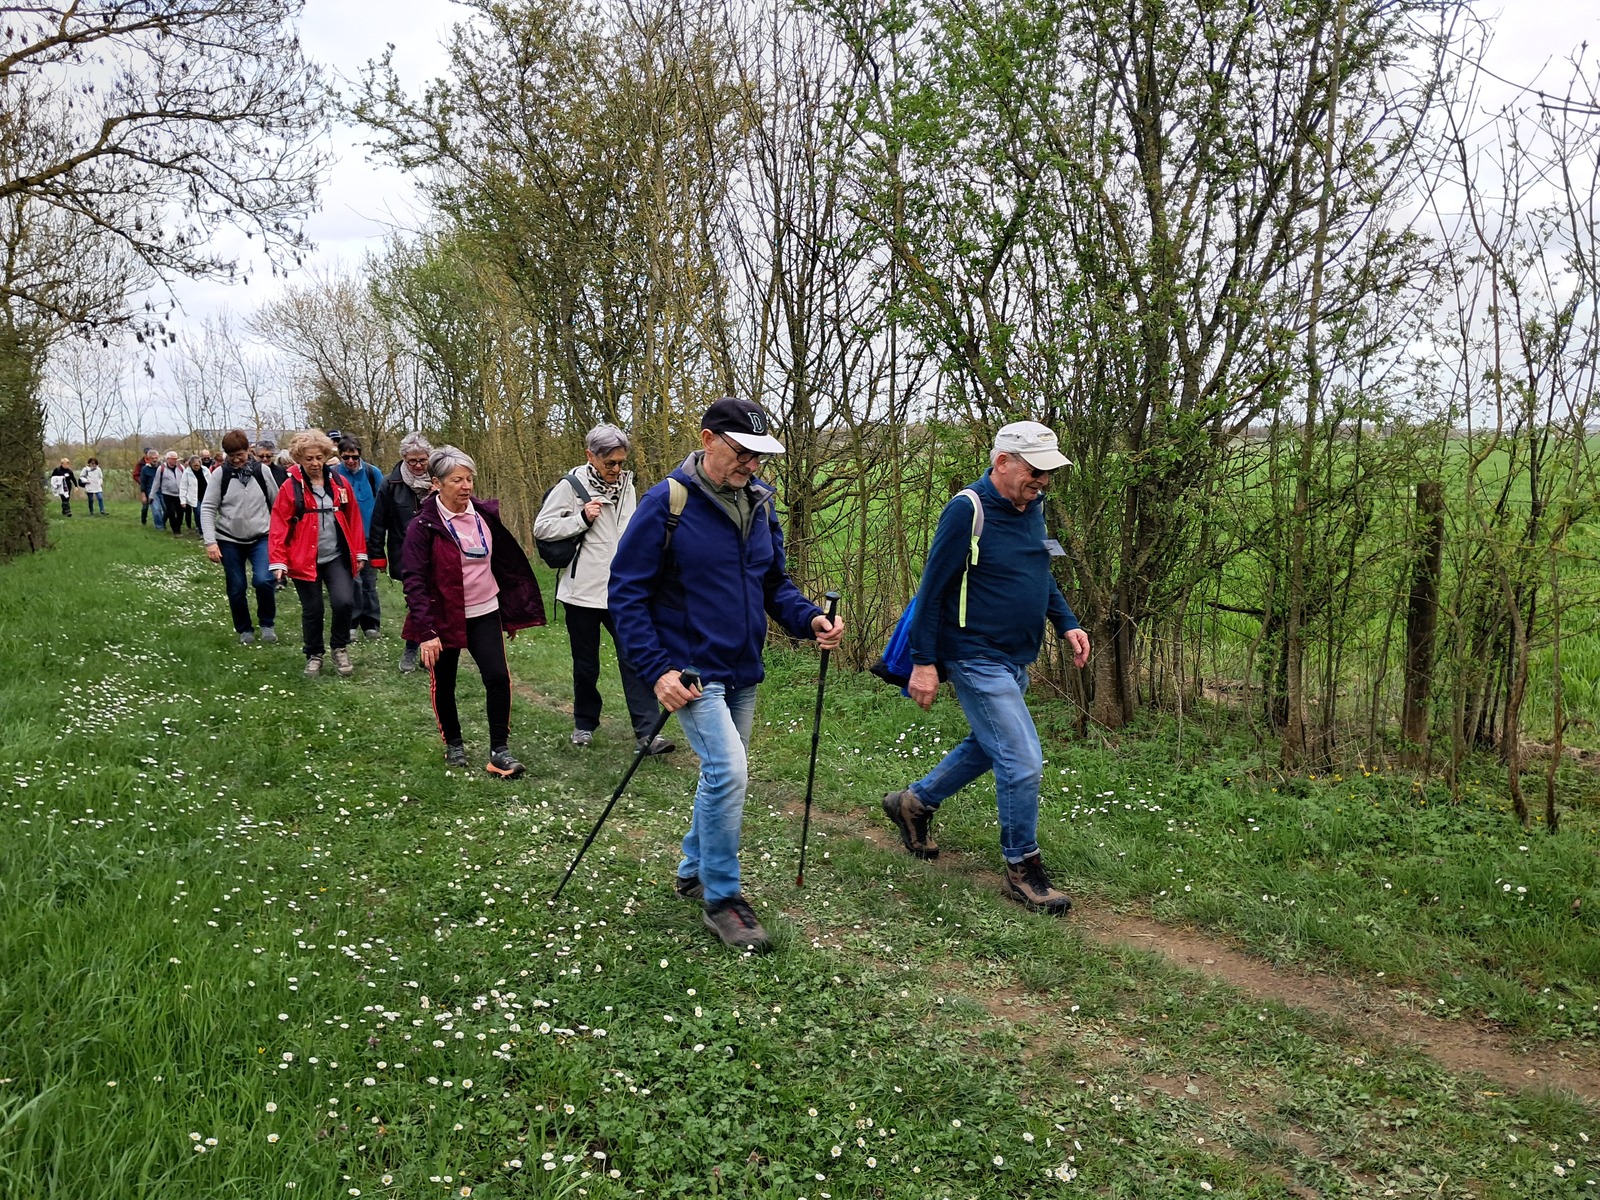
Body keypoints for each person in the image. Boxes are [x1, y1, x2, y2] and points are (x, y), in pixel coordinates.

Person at [609, 397, 844, 952]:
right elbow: (625, 595)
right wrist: (657, 670)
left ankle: (693, 868)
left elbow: (773, 584)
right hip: (691, 670)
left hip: (743, 667)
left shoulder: (760, 504)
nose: (752, 465)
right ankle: (723, 899)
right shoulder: (667, 503)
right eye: (742, 452)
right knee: (730, 771)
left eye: (760, 456)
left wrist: (809, 617)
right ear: (708, 439)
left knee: (722, 773)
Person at [881, 421, 1091, 915]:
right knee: (1022, 760)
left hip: (1016, 655)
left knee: (989, 744)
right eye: (1036, 471)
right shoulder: (967, 510)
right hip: (974, 655)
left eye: (1049, 473)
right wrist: (924, 663)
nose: (1043, 481)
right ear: (1002, 462)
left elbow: (1040, 570)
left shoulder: (1033, 507)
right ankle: (1022, 868)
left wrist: (1066, 622)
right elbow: (932, 591)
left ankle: (912, 803)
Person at [399, 446, 545, 779]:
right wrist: (426, 633)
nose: (466, 486)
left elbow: (505, 566)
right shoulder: (423, 526)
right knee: (445, 682)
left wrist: (511, 613)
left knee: (497, 677)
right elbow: (414, 581)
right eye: (457, 480)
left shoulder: (484, 516)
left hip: (485, 611)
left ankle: (499, 751)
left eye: (469, 479)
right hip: (443, 615)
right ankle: (454, 744)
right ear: (437, 483)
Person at [534, 423, 669, 754]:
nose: (617, 469)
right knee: (586, 665)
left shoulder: (628, 486)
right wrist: (581, 518)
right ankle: (584, 725)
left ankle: (648, 733)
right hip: (581, 592)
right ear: (590, 456)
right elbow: (542, 527)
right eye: (610, 462)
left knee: (635, 657)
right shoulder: (571, 485)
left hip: (623, 591)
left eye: (621, 462)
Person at [267, 430, 368, 678]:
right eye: (309, 459)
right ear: (299, 459)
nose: (315, 463)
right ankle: (314, 654)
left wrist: (359, 553)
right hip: (303, 558)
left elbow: (353, 518)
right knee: (313, 610)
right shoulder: (290, 487)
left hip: (335, 555)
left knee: (344, 601)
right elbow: (279, 524)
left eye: (319, 458)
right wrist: (278, 560)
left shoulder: (340, 483)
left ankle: (339, 647)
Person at [202, 429, 280, 645]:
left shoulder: (262, 472)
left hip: (261, 536)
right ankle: (244, 629)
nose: (236, 460)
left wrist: (280, 537)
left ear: (249, 450)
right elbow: (208, 508)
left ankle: (267, 624)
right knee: (236, 587)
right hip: (229, 539)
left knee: (264, 580)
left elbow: (277, 504)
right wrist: (210, 542)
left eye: (240, 455)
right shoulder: (220, 475)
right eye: (231, 456)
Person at [369, 432, 434, 672]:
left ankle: (430, 650)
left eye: (422, 460)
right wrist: (377, 555)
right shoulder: (390, 483)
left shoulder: (440, 479)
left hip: (437, 552)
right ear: (404, 459)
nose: (417, 465)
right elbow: (379, 521)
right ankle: (411, 649)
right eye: (412, 461)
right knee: (417, 601)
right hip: (405, 553)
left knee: (433, 602)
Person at [334, 436, 387, 641]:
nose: (350, 461)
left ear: (360, 455)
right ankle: (352, 623)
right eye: (346, 457)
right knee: (352, 581)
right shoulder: (334, 474)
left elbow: (383, 504)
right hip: (345, 537)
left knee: (369, 582)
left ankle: (371, 623)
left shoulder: (373, 474)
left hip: (369, 536)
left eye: (354, 457)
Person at [151, 450, 187, 538]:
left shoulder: (181, 468)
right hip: (167, 494)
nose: (175, 461)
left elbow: (186, 480)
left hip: (180, 494)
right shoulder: (161, 468)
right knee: (171, 512)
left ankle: (178, 527)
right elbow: (156, 483)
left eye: (176, 459)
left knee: (180, 513)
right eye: (173, 459)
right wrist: (152, 495)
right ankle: (175, 530)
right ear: (168, 459)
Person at [136, 449, 160, 526]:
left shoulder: (161, 467)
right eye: (152, 458)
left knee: (166, 510)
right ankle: (144, 521)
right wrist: (143, 493)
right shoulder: (141, 464)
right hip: (148, 489)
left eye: (156, 458)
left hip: (160, 490)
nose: (154, 459)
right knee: (145, 507)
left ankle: (161, 522)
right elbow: (137, 475)